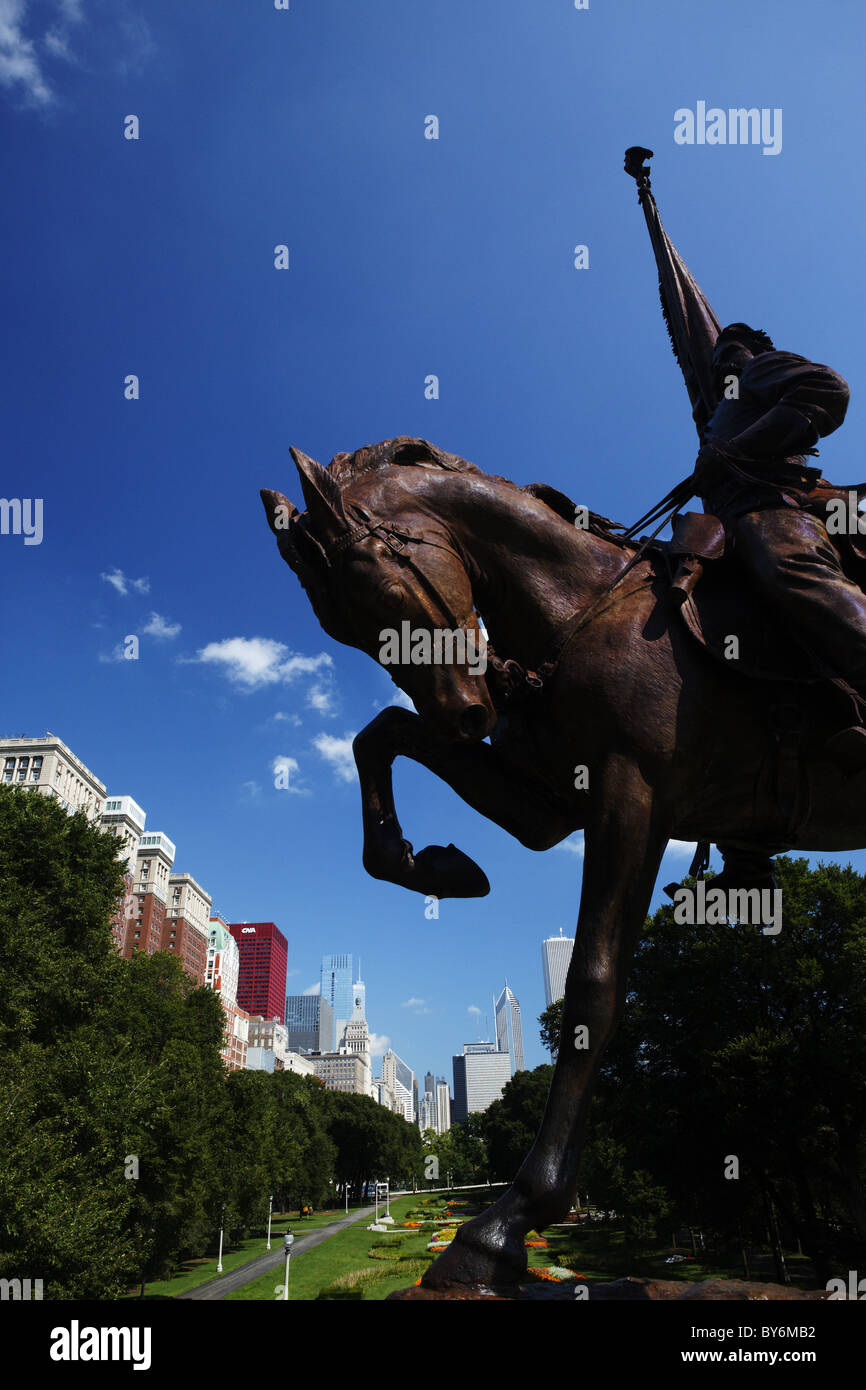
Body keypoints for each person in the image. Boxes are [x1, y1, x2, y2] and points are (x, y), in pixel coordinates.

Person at [693, 323, 866, 765]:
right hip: (727, 519)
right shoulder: (723, 409)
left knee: (787, 566)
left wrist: (732, 451)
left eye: (729, 352)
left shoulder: (760, 370)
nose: (723, 364)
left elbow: (829, 389)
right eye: (718, 359)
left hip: (773, 505)